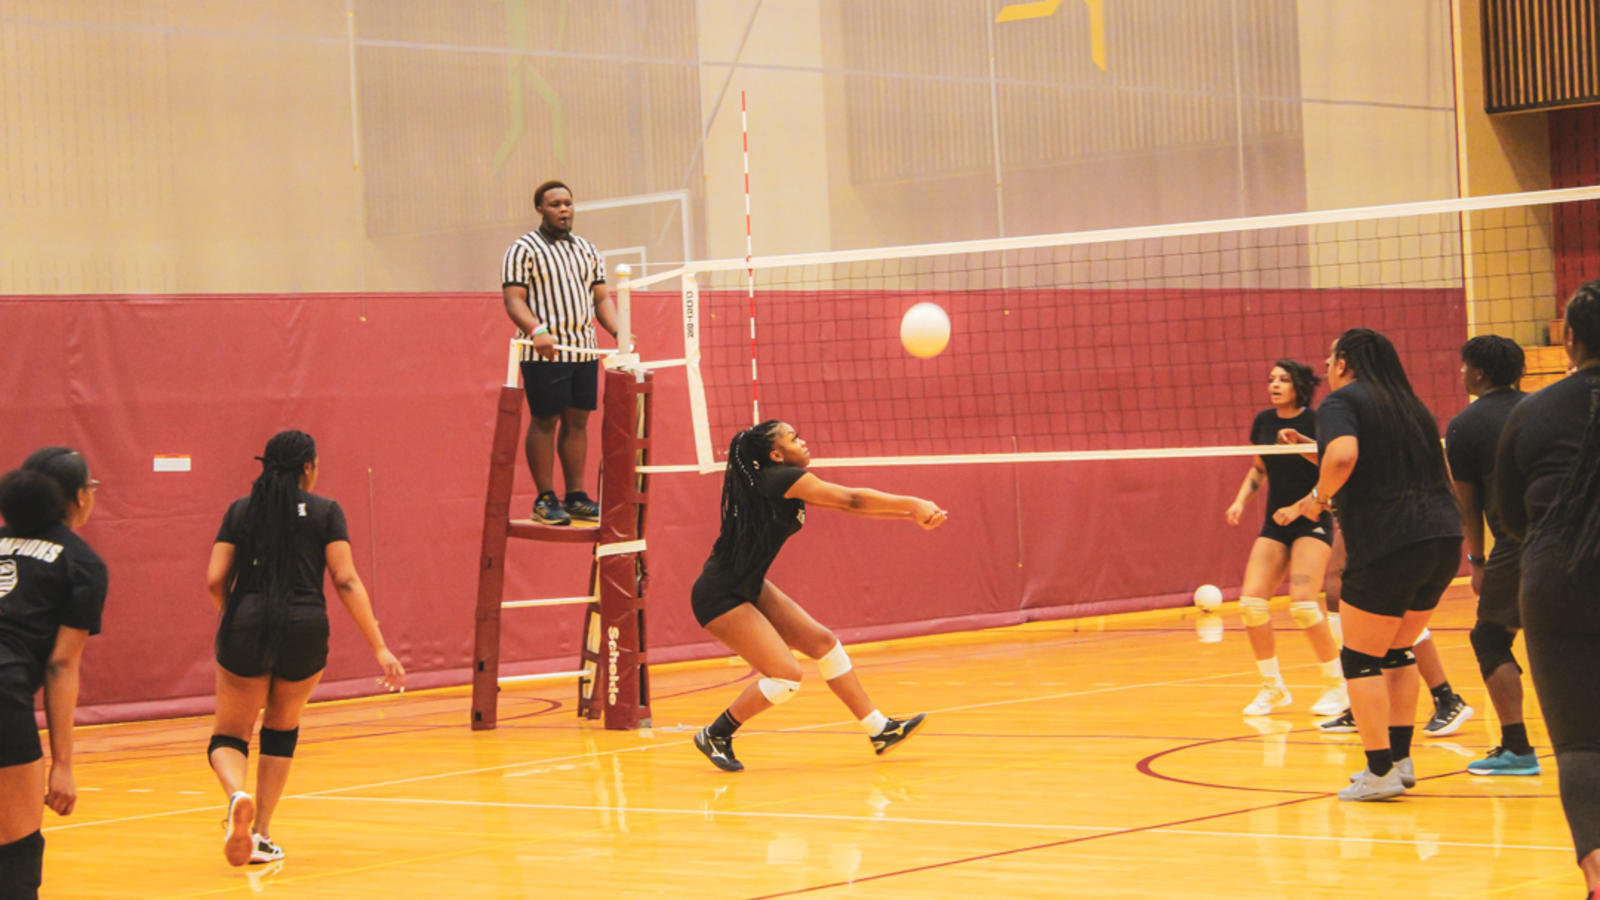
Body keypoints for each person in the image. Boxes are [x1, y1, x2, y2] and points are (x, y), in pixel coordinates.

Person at [690, 421, 946, 772]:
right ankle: (716, 734)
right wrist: (913, 504)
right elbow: (851, 500)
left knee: (824, 644)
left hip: (749, 584)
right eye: (794, 438)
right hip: (720, 595)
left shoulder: (778, 480)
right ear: (776, 454)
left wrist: (910, 515)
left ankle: (879, 730)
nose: (804, 441)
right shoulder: (781, 479)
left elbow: (849, 506)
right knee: (785, 677)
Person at [1274, 328, 1462, 801]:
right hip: (1441, 538)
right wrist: (1311, 450)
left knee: (1360, 657)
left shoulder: (1342, 402)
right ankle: (1399, 761)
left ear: (1345, 363)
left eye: (1330, 356)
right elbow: (1364, 457)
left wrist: (1315, 500)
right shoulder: (1411, 405)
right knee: (1399, 650)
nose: (1327, 363)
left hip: (1389, 541)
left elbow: (1344, 454)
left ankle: (1379, 770)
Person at [205, 430, 405, 866]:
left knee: (229, 735)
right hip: (306, 627)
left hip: (247, 624)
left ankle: (237, 794)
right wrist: (381, 648)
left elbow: (215, 579)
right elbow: (346, 579)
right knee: (282, 729)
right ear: (308, 468)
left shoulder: (241, 511)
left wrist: (237, 616)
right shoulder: (325, 512)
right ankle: (260, 833)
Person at [1494, 279, 1600, 895]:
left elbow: (1508, 515)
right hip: (1559, 570)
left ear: (1568, 338)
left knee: (1583, 745)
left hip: (1555, 576)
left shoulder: (1530, 411)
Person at [0, 448, 107, 900]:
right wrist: (62, 765)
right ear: (80, 497)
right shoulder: (81, 563)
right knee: (17, 849)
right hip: (4, 695)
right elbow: (62, 664)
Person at [1223, 360, 1345, 718]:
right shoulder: (1264, 422)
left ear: (1299, 386)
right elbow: (1260, 467)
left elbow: (1332, 468)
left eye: (1283, 379)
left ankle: (1336, 687)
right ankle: (1272, 688)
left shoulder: (1317, 421)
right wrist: (1240, 501)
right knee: (1251, 604)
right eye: (1271, 379)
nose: (1275, 385)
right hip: (1276, 523)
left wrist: (1300, 507)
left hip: (1312, 517)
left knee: (1305, 605)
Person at [501, 180, 620, 526]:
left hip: (583, 350)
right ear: (540, 209)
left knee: (578, 422)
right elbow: (514, 301)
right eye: (555, 204)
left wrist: (618, 330)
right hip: (545, 353)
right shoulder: (523, 249)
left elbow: (601, 298)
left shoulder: (587, 249)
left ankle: (576, 496)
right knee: (545, 420)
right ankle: (544, 498)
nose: (563, 209)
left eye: (568, 203)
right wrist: (537, 331)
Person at [1444, 335, 1537, 775]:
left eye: (1464, 367)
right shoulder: (1543, 407)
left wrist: (1475, 562)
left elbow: (1468, 502)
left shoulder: (1465, 424)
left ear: (1478, 373)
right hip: (1577, 535)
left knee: (1490, 638)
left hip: (1518, 542)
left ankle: (1517, 749)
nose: (1460, 373)